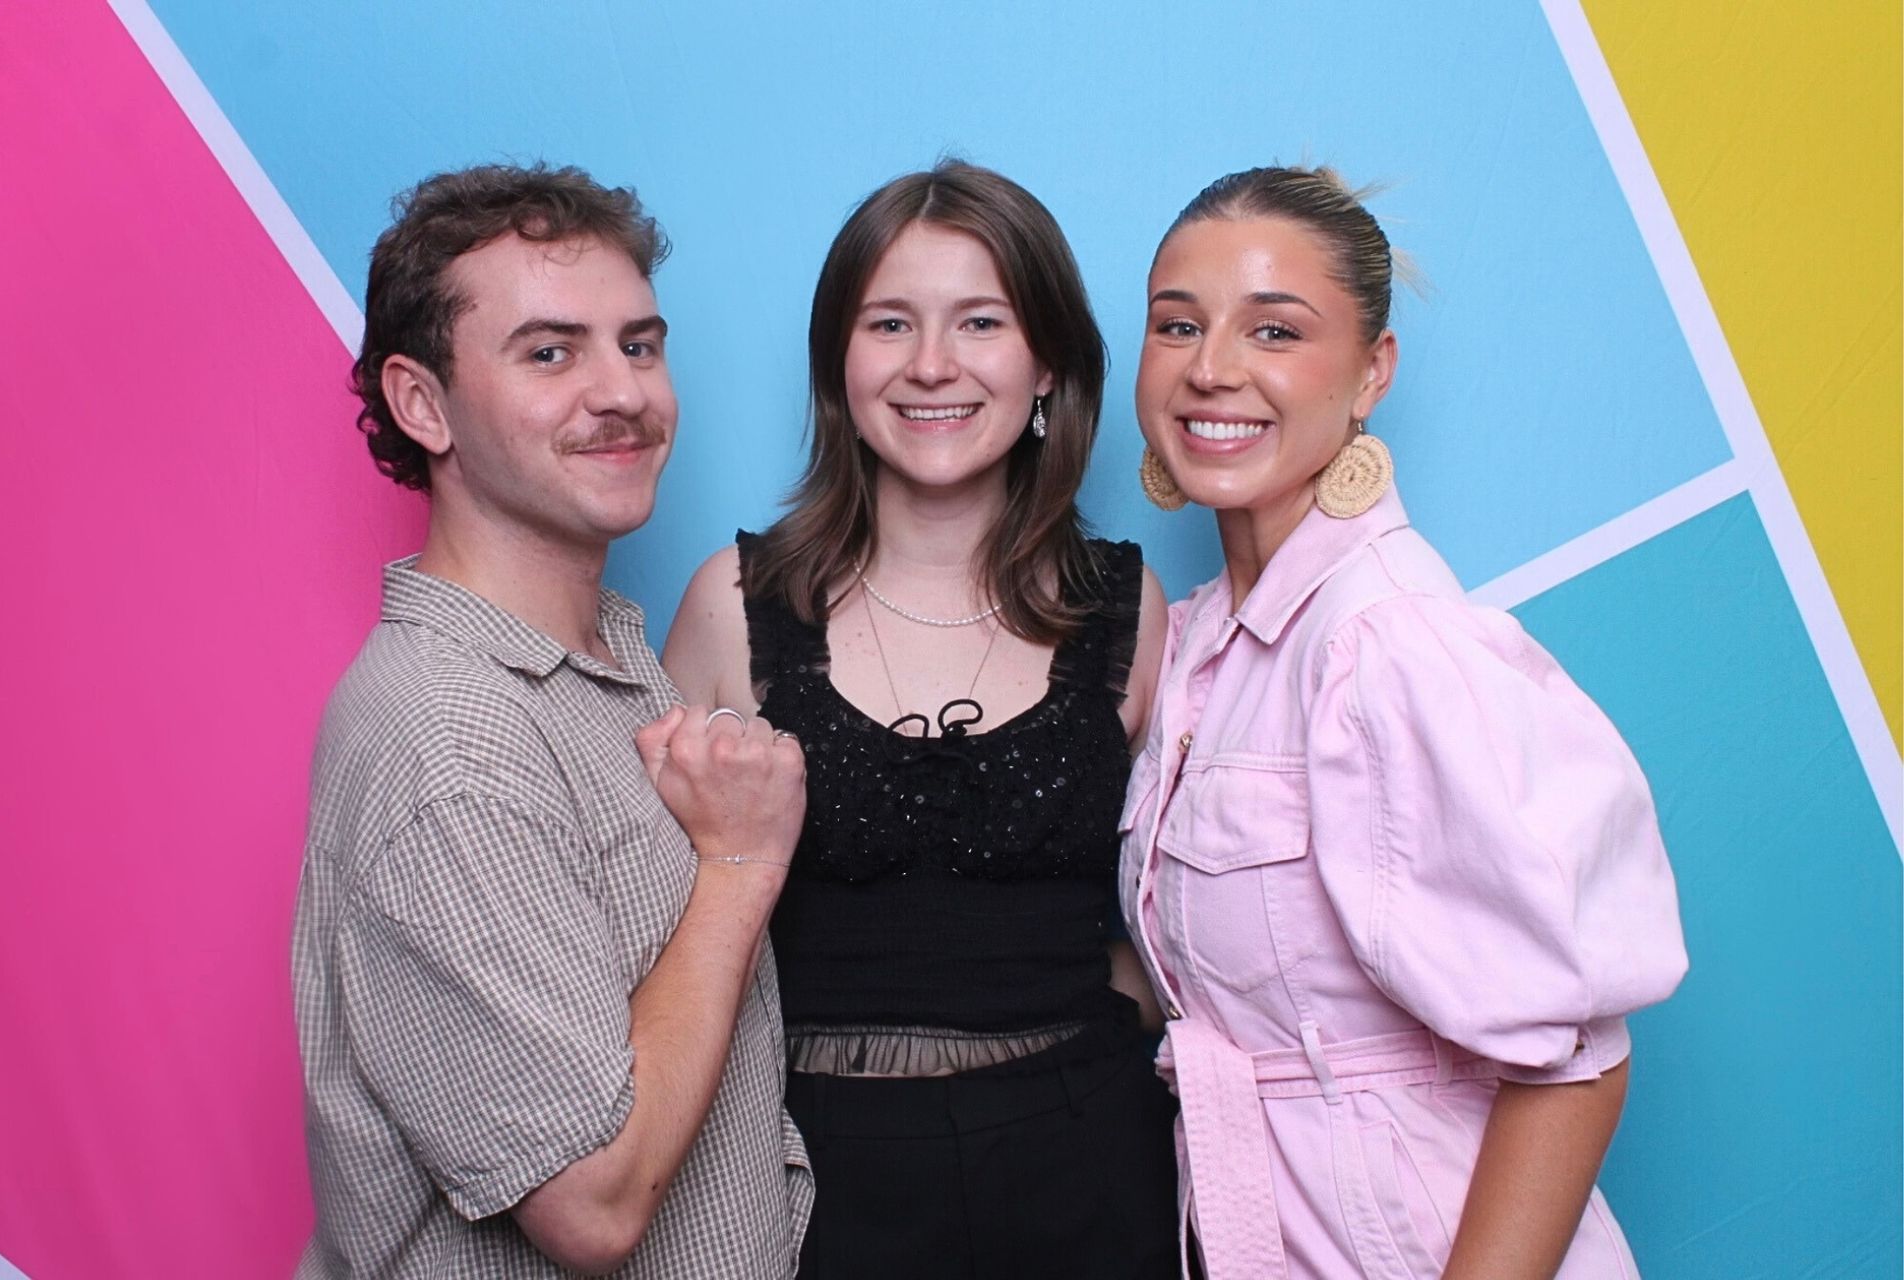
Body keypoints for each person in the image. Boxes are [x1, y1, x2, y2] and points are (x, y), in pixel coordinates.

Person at [1122, 166, 1689, 1280]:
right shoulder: (1191, 646)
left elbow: (1574, 1055)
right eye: (1176, 324)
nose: (1211, 368)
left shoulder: (1392, 642)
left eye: (1274, 329)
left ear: (1373, 370)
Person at [293, 162, 812, 1279]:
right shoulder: (450, 739)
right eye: (549, 351)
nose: (621, 390)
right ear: (422, 402)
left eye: (639, 343)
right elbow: (593, 1200)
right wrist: (734, 864)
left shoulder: (610, 651)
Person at [664, 159, 1180, 1278]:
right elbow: (651, 929)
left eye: (980, 321)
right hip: (812, 1182)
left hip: (1089, 1169)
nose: (932, 364)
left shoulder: (1127, 606)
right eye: (889, 322)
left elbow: (1176, 910)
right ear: (839, 364)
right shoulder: (730, 604)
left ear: (1047, 362)